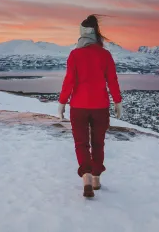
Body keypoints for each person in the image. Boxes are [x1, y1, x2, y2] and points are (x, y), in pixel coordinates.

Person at [58, 15, 122, 198]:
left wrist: (62, 103)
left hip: (78, 106)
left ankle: (85, 176)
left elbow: (69, 81)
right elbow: (112, 81)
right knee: (98, 143)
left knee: (81, 143)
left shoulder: (75, 55)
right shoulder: (105, 55)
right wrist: (118, 101)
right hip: (100, 106)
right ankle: (96, 179)